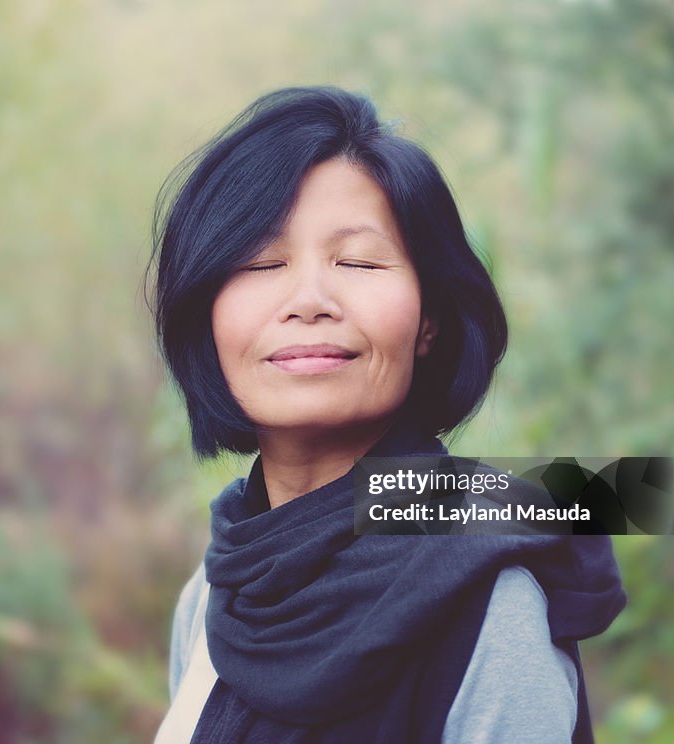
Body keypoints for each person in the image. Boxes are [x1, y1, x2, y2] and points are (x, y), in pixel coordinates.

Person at [150, 86, 625, 743]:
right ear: (206, 316)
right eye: (261, 261)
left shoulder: (488, 609)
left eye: (358, 261)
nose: (309, 299)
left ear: (428, 320)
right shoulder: (211, 596)